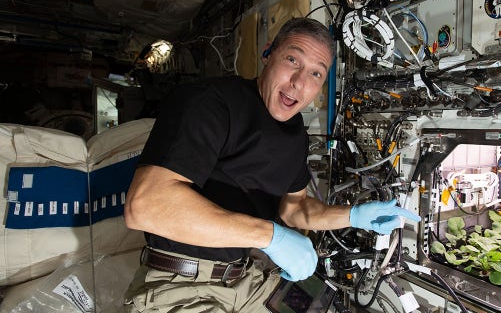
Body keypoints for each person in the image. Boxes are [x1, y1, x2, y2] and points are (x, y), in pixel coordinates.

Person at [123, 17, 420, 312]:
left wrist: (353, 216)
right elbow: (145, 206)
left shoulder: (295, 135)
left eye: (316, 74)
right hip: (182, 284)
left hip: (245, 279)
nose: (300, 83)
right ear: (268, 54)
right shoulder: (210, 102)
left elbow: (295, 207)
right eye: (293, 59)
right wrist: (271, 237)